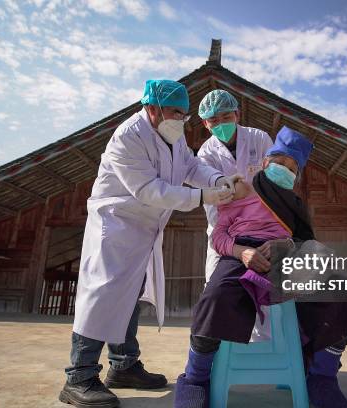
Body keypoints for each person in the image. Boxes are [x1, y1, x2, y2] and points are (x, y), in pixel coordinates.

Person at [59, 79, 241, 408]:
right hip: (116, 224)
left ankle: (123, 366)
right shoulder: (127, 137)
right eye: (175, 112)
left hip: (145, 227)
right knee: (103, 295)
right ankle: (78, 376)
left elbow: (191, 165)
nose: (181, 119)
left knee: (130, 295)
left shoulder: (172, 134)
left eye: (185, 114)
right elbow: (149, 190)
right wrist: (204, 196)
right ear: (152, 108)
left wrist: (217, 179)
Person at [174, 126, 347, 408]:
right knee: (215, 296)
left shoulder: (293, 202)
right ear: (265, 162)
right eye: (279, 162)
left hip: (286, 254)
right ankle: (195, 378)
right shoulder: (240, 191)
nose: (283, 169)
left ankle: (322, 377)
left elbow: (305, 240)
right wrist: (242, 253)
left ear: (296, 175)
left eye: (291, 167)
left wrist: (287, 245)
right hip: (242, 253)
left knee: (340, 288)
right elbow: (219, 236)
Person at [196, 89, 274, 341]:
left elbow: (275, 185)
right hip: (226, 231)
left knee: (266, 292)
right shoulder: (205, 155)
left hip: (265, 228)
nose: (220, 124)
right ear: (205, 123)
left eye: (225, 116)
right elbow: (212, 204)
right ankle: (217, 352)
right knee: (216, 289)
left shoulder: (259, 139)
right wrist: (235, 247)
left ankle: (264, 349)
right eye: (213, 120)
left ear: (237, 114)